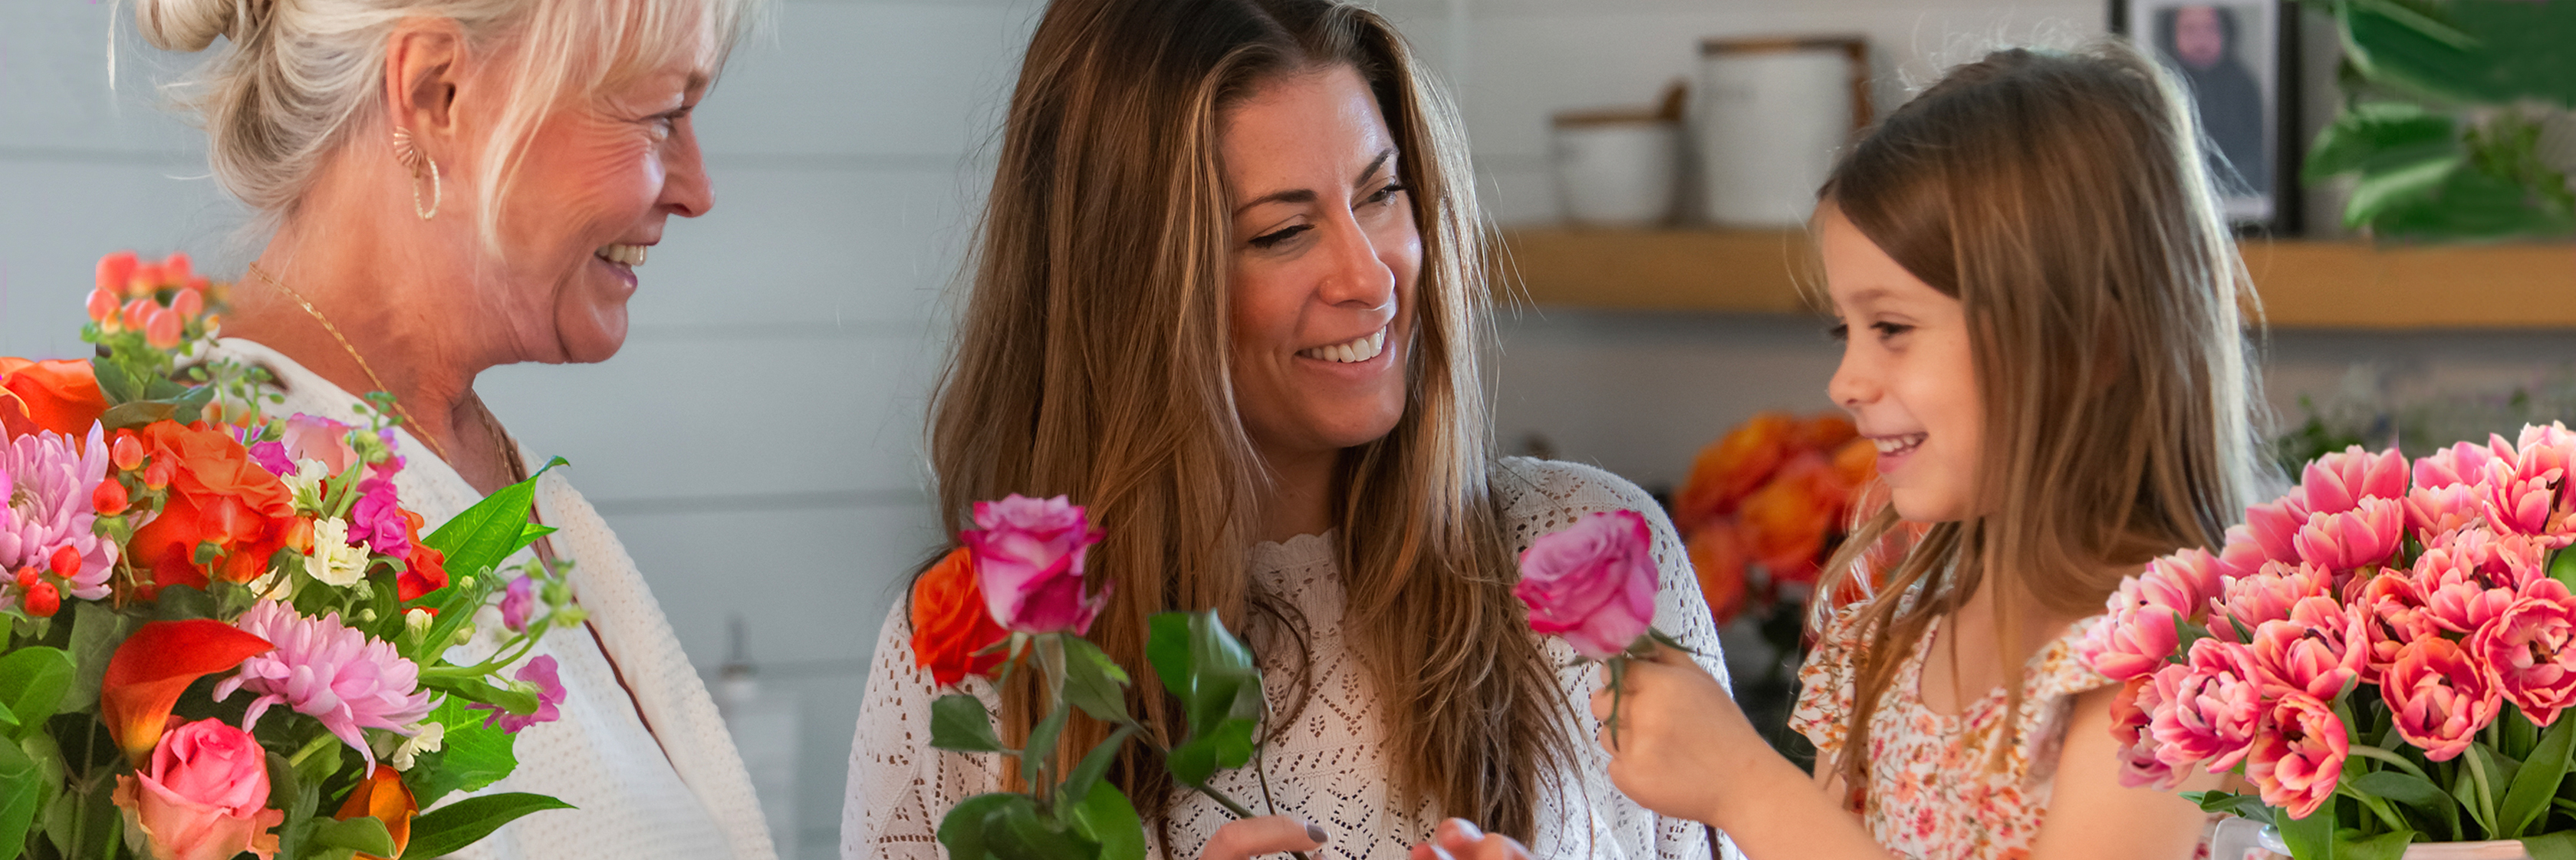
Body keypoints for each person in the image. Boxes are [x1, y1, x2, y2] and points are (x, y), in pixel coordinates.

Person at [841, 2, 1727, 859]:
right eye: (1282, 232)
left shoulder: (1594, 557)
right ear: (1133, 294)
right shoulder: (970, 659)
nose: (1369, 275)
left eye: (1381, 192)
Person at [1416, 44, 2270, 860]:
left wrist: (1744, 784)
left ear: (2090, 347)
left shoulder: (2172, 669)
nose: (1846, 381)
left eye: (1892, 328)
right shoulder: (1893, 627)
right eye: (1844, 328)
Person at [130, 0, 775, 857]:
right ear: (439, 94)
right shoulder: (219, 522)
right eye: (662, 117)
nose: (696, 189)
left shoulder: (472, 459)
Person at [2159, 5, 2269, 197]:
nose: (2201, 40)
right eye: (2189, 30)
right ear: (2171, 33)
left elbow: (2257, 151)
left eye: (2210, 29)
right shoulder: (2163, 83)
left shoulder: (2243, 85)